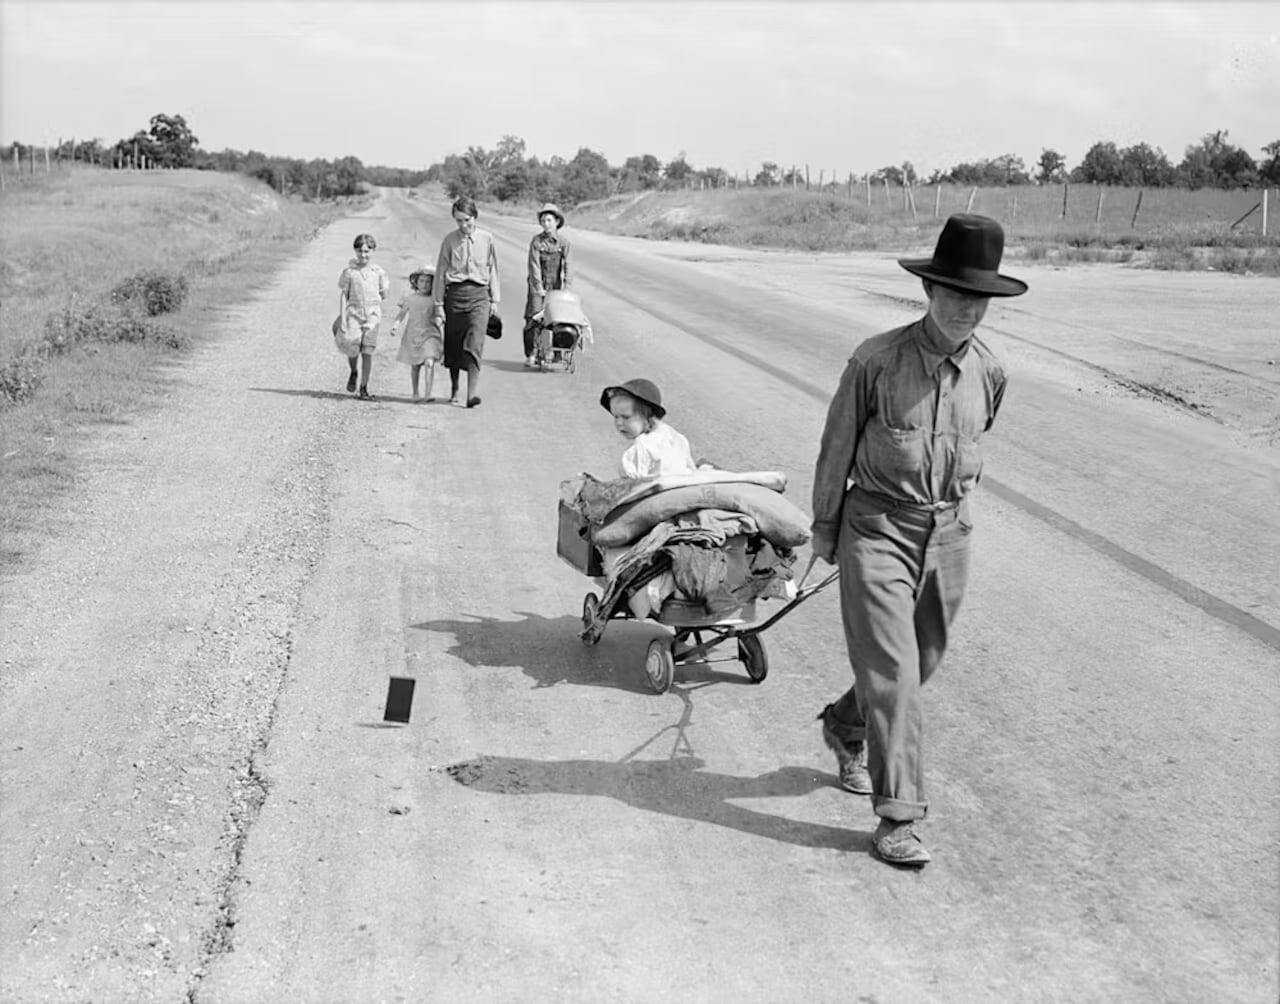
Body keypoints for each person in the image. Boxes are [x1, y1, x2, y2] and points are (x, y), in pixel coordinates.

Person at [810, 213, 1027, 868]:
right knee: (896, 671)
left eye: (978, 299)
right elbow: (835, 449)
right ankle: (897, 817)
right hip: (876, 527)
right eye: (956, 294)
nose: (967, 310)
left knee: (921, 660)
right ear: (929, 292)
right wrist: (824, 528)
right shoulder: (875, 362)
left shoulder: (991, 371)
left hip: (949, 533)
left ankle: (846, 727)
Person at [431, 197, 499, 409]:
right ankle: (454, 388)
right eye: (458, 220)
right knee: (454, 343)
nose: (463, 225)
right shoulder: (449, 240)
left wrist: (494, 299)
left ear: (475, 217)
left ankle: (472, 394)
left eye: (467, 219)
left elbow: (493, 268)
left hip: (480, 295)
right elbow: (441, 272)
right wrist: (438, 304)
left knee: (475, 344)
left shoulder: (487, 239)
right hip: (455, 295)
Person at [600, 378, 697, 479]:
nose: (619, 423)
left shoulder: (641, 446)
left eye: (626, 417)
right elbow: (691, 467)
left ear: (647, 416)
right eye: (616, 417)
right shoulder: (675, 436)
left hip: (660, 492)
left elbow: (631, 483)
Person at [335, 234, 390, 399]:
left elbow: (384, 293)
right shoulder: (350, 272)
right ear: (355, 251)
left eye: (367, 251)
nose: (363, 255)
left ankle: (364, 388)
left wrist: (380, 295)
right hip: (354, 314)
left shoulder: (378, 272)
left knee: (367, 351)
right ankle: (353, 371)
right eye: (360, 251)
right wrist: (343, 318)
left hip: (372, 317)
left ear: (373, 251)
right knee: (352, 347)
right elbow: (344, 294)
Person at [523, 203, 572, 368]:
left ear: (557, 221)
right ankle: (531, 353)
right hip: (536, 286)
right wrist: (538, 287)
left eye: (549, 220)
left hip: (555, 286)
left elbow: (568, 267)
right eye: (543, 220)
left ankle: (558, 353)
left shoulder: (564, 243)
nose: (546, 224)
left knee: (558, 318)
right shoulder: (536, 241)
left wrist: (567, 289)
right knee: (533, 318)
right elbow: (533, 265)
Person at [390, 264, 443, 402]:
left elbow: (440, 314)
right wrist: (395, 325)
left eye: (428, 282)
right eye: (422, 281)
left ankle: (428, 393)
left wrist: (440, 320)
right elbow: (401, 314)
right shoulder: (410, 299)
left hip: (430, 333)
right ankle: (415, 392)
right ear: (416, 282)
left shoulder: (435, 300)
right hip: (413, 334)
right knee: (415, 365)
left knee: (429, 362)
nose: (424, 285)